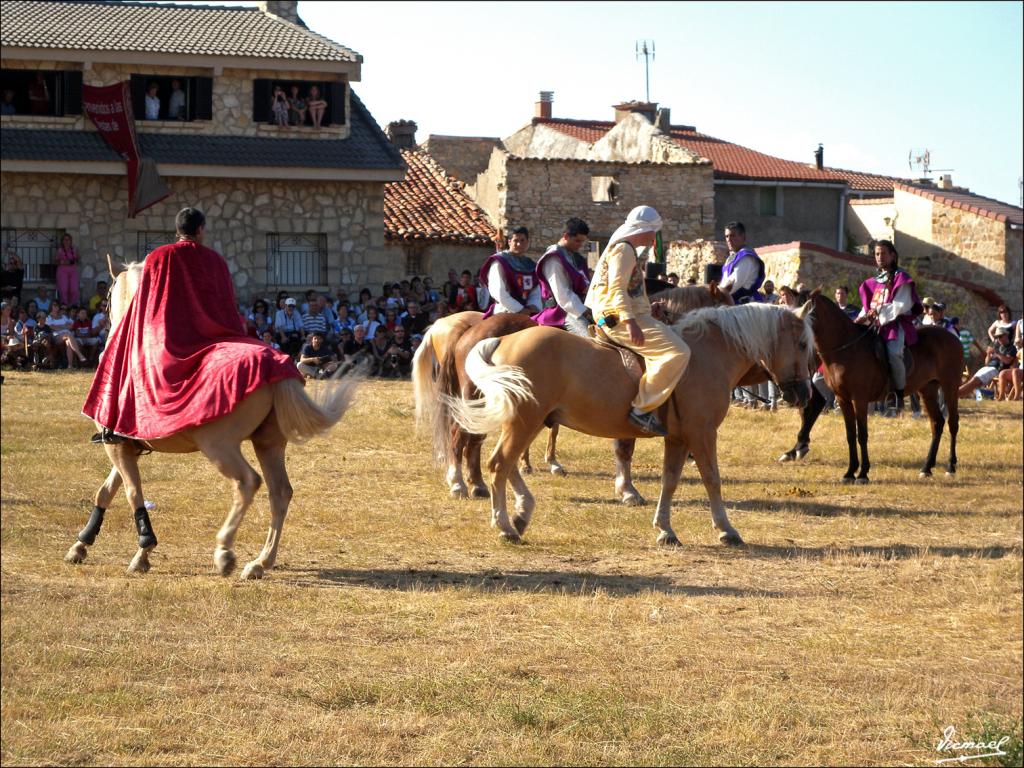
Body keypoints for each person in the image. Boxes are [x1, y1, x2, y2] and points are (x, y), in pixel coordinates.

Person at [83, 207, 301, 442]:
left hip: (172, 341)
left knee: (127, 361)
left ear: (178, 230)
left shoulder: (158, 258)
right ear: (200, 230)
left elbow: (147, 305)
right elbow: (226, 307)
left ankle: (116, 428)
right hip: (218, 336)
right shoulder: (216, 261)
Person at [584, 205, 690, 437]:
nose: (655, 237)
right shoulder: (624, 250)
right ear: (644, 229)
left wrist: (645, 309)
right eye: (654, 231)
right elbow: (617, 290)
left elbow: (626, 291)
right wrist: (630, 321)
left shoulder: (623, 249)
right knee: (679, 352)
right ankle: (641, 409)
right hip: (618, 317)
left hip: (620, 313)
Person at [855, 239, 923, 416]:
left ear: (893, 255)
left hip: (893, 325)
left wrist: (876, 313)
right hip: (874, 326)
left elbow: (899, 305)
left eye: (883, 253)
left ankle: (899, 394)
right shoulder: (872, 282)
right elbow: (866, 306)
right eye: (877, 254)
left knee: (894, 353)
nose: (879, 257)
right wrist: (860, 319)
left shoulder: (902, 278)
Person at [533, 217, 593, 337]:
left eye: (582, 242)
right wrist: (584, 311)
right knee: (593, 341)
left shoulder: (573, 257)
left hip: (580, 306)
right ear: (565, 236)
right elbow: (563, 294)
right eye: (577, 241)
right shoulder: (554, 258)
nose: (580, 245)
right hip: (563, 312)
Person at [479, 226, 541, 317]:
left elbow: (536, 290)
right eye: (516, 240)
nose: (519, 244)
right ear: (509, 242)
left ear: (528, 242)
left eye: (522, 240)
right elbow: (498, 291)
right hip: (505, 311)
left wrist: (533, 305)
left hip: (529, 313)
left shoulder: (531, 265)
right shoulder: (500, 261)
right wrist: (519, 309)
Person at [958, 324, 1017, 399]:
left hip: (997, 370)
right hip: (988, 368)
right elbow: (986, 363)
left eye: (1000, 336)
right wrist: (988, 355)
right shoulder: (997, 346)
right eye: (997, 337)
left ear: (1006, 335)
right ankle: (957, 394)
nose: (998, 339)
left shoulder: (1011, 348)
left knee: (974, 381)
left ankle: (955, 394)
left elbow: (1007, 361)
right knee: (974, 381)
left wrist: (996, 353)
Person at [718, 221, 765, 304]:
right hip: (732, 302)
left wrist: (715, 293)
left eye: (732, 235)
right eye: (727, 236)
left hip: (745, 306)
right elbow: (724, 281)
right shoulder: (731, 258)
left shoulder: (746, 257)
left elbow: (733, 283)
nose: (729, 239)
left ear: (743, 237)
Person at [55, 233, 80, 305]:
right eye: (65, 240)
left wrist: (75, 259)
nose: (66, 241)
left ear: (71, 241)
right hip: (62, 272)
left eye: (68, 240)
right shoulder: (60, 250)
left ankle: (73, 306)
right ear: (62, 241)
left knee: (74, 290)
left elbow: (78, 260)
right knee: (63, 290)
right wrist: (63, 262)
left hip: (73, 271)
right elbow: (55, 262)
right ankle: (64, 306)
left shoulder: (74, 250)